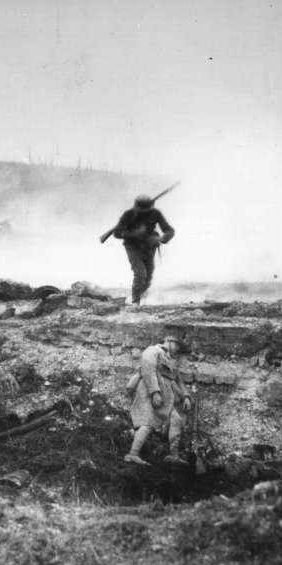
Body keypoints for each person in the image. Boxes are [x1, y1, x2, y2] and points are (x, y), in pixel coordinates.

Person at [124, 335, 192, 466]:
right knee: (148, 423)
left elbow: (178, 380)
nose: (177, 349)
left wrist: (186, 397)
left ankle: (174, 456)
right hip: (149, 393)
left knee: (176, 420)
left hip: (168, 398)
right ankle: (133, 454)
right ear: (167, 342)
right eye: (176, 345)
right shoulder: (153, 350)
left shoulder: (172, 361)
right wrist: (155, 392)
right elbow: (148, 370)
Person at [112, 195, 175, 307]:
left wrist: (162, 238)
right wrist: (134, 234)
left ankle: (138, 297)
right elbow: (117, 233)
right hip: (132, 247)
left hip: (149, 247)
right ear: (137, 207)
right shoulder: (128, 215)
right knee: (140, 273)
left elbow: (169, 230)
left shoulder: (155, 213)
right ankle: (135, 303)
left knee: (148, 277)